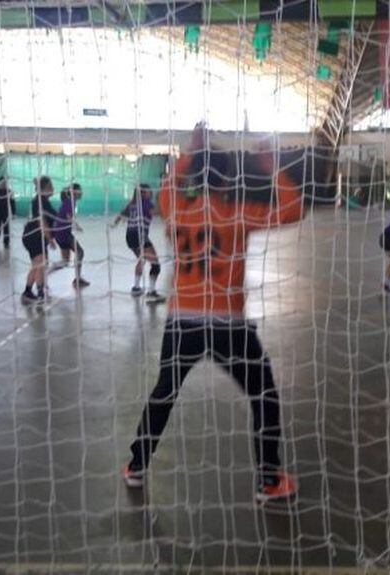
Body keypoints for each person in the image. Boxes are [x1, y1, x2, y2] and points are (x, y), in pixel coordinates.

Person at [123, 123, 303, 502]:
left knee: (165, 391)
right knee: (263, 394)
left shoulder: (176, 210)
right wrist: (268, 159)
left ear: (194, 175)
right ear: (227, 180)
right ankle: (269, 480)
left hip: (182, 321)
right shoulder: (238, 213)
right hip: (227, 323)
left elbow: (166, 189)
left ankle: (136, 465)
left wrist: (191, 150)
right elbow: (292, 209)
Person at [112, 183, 162, 300]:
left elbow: (120, 216)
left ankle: (136, 287)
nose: (151, 193)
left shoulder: (132, 204)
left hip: (130, 236)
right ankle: (152, 292)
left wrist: (114, 224)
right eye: (149, 191)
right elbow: (157, 213)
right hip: (140, 235)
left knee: (142, 259)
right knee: (155, 265)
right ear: (143, 193)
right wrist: (161, 199)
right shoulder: (145, 204)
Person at [21, 176, 57, 304]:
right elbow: (42, 222)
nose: (53, 189)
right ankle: (35, 291)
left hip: (35, 236)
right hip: (34, 236)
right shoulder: (40, 201)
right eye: (50, 187)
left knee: (40, 264)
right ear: (44, 189)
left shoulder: (43, 201)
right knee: (40, 264)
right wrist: (50, 239)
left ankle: (33, 291)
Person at [53, 183, 90, 288]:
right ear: (74, 192)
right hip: (63, 233)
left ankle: (47, 274)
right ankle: (77, 279)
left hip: (61, 233)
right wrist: (76, 226)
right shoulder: (70, 202)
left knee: (65, 261)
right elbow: (69, 217)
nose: (81, 192)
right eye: (79, 190)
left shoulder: (69, 202)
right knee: (80, 252)